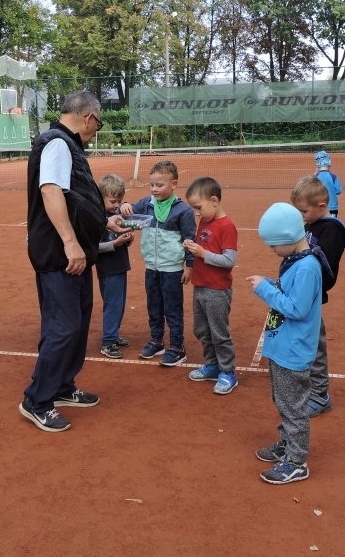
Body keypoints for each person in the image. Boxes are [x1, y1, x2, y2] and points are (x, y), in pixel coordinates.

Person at [22, 89, 122, 433]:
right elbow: (50, 192)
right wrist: (69, 243)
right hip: (60, 256)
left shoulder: (70, 146)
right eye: (99, 122)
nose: (98, 129)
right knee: (62, 327)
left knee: (77, 324)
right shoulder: (57, 143)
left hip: (75, 255)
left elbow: (73, 198)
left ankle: (63, 386)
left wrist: (102, 221)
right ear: (89, 117)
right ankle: (37, 400)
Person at [247, 203, 331, 485]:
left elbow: (296, 308)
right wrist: (273, 284)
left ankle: (297, 461)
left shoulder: (306, 267)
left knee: (293, 407)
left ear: (285, 238)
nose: (272, 251)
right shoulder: (299, 260)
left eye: (273, 246)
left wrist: (265, 289)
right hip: (283, 347)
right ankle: (287, 444)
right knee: (283, 401)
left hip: (292, 351)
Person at [120, 160, 196, 366]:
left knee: (172, 308)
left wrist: (189, 267)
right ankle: (156, 341)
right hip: (151, 268)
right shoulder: (146, 204)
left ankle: (177, 347)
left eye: (160, 185)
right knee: (154, 306)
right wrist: (125, 205)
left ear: (174, 184)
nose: (154, 189)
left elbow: (190, 241)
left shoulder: (183, 211)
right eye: (152, 184)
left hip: (171, 269)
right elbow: (127, 210)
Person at [290, 176, 345, 417]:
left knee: (315, 347)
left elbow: (320, 262)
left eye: (303, 211)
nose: (301, 215)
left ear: (322, 205)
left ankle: (320, 395)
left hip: (313, 298)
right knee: (304, 344)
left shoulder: (332, 229)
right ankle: (309, 388)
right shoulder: (311, 223)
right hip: (302, 294)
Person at [183, 177, 239, 394]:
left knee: (219, 333)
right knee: (202, 329)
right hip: (200, 286)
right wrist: (192, 248)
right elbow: (202, 247)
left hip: (217, 290)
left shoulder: (227, 226)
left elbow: (229, 261)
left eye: (199, 208)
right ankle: (212, 365)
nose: (197, 214)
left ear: (214, 200)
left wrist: (203, 253)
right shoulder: (205, 221)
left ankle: (228, 372)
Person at [96, 174, 134, 358]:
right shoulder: (98, 221)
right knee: (112, 304)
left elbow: (121, 241)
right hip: (108, 269)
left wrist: (126, 240)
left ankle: (114, 334)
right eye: (112, 201)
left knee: (119, 304)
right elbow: (94, 248)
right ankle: (108, 342)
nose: (116, 205)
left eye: (119, 201)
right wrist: (116, 243)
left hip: (120, 266)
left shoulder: (116, 216)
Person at [313, 151, 343, 217]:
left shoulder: (315, 178)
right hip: (332, 207)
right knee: (332, 224)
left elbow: (310, 190)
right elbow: (339, 191)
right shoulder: (334, 177)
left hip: (319, 207)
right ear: (329, 163)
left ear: (318, 164)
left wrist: (315, 172)